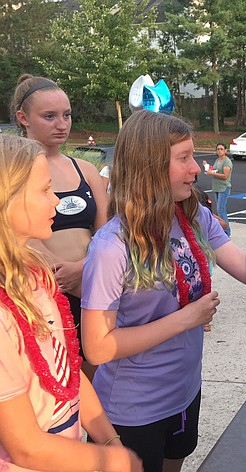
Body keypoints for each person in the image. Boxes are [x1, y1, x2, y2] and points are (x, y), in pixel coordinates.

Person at [80, 110, 246, 472]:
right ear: (150, 166)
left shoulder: (194, 217)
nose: (196, 168)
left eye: (194, 156)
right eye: (184, 158)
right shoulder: (111, 246)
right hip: (133, 409)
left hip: (185, 391)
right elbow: (97, 346)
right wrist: (186, 319)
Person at [0, 134, 142, 471]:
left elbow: (69, 372)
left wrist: (108, 438)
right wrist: (114, 460)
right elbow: (26, 448)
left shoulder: (37, 277)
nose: (57, 202)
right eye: (45, 190)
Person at [11, 75, 108, 381]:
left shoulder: (86, 170)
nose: (61, 124)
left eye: (66, 115)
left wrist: (85, 268)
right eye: (49, 116)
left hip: (89, 286)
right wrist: (59, 271)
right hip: (40, 290)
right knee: (54, 381)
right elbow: (14, 230)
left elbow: (107, 233)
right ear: (23, 118)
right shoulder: (12, 170)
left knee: (94, 377)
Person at [203, 142, 232, 236]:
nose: (219, 151)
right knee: (220, 210)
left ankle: (226, 231)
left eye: (221, 149)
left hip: (224, 188)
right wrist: (207, 167)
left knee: (221, 210)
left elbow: (225, 176)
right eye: (218, 149)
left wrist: (212, 174)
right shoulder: (217, 160)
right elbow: (214, 169)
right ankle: (223, 230)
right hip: (216, 187)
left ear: (225, 150)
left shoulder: (227, 162)